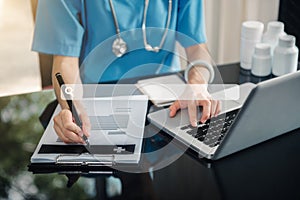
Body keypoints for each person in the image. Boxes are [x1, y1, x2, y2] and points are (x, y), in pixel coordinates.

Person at [32, 0, 220, 144]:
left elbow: (198, 50)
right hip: (96, 98)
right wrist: (71, 107)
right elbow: (65, 61)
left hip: (167, 103)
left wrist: (197, 85)